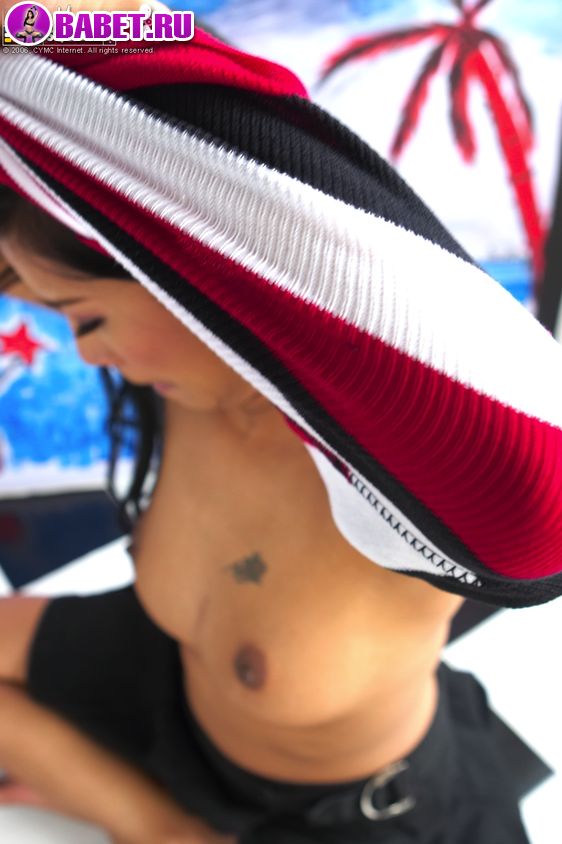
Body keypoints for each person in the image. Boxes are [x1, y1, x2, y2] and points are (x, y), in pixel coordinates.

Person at [1, 25, 560, 844]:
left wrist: (53, 22)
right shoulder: (182, 398)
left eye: (86, 319)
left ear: (188, 272)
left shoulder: (393, 474)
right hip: (175, 688)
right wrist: (152, 822)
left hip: (362, 812)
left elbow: (541, 492)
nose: (87, 356)